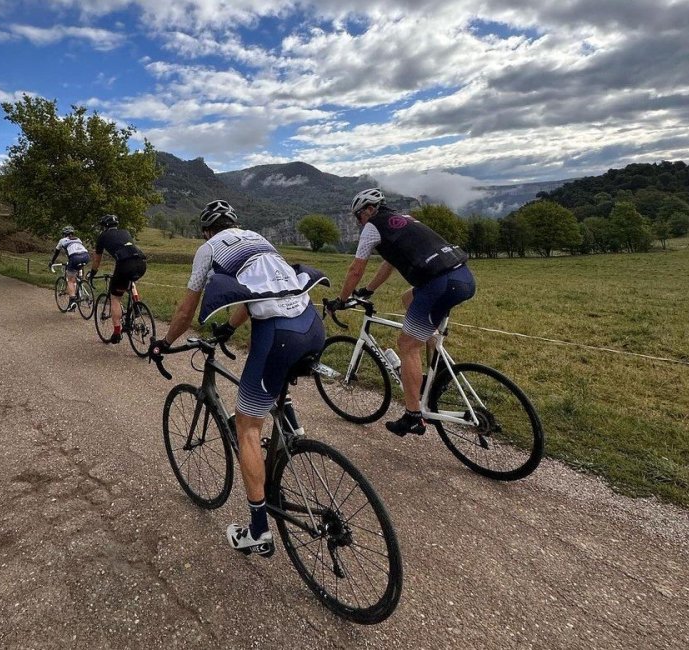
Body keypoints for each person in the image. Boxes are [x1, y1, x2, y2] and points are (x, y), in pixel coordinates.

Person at [148, 200, 327, 557]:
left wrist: (165, 343)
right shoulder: (259, 240)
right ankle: (291, 434)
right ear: (236, 223)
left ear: (206, 231)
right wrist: (228, 328)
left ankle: (258, 531)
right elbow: (254, 293)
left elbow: (186, 309)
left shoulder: (209, 248)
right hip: (311, 325)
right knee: (270, 387)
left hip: (277, 333)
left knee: (247, 426)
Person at [327, 188, 475, 436]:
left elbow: (355, 269)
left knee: (406, 344)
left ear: (369, 210)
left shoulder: (373, 227)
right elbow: (389, 264)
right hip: (463, 277)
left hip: (439, 284)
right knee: (408, 299)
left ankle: (413, 416)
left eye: (358, 216)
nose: (358, 222)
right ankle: (437, 367)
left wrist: (342, 300)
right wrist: (368, 290)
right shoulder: (405, 220)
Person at [88, 214, 147, 344]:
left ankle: (116, 332)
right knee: (130, 281)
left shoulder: (102, 237)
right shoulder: (125, 231)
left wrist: (92, 274)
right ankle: (136, 305)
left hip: (125, 264)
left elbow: (97, 259)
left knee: (115, 297)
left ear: (104, 226)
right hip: (141, 262)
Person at [49, 226, 90, 312]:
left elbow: (57, 253)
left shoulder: (62, 241)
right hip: (86, 256)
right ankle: (81, 285)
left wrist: (51, 262)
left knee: (70, 280)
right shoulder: (78, 239)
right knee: (78, 270)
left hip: (75, 258)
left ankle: (72, 301)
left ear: (64, 234)